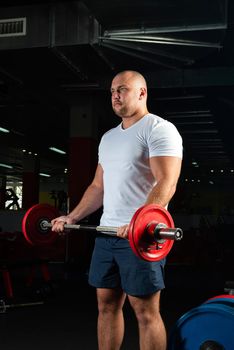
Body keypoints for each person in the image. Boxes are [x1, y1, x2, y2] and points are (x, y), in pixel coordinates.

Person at [51, 70, 183, 350]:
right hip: (107, 232)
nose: (115, 95)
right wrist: (72, 216)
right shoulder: (108, 138)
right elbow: (98, 186)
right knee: (106, 306)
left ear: (142, 93)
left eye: (122, 89)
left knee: (145, 312)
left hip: (141, 237)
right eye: (112, 90)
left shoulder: (158, 129)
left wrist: (139, 223)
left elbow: (167, 182)